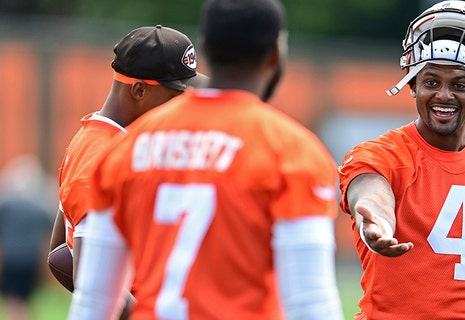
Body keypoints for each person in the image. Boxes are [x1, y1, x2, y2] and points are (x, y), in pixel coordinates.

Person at [67, 0, 344, 319]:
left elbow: (93, 301)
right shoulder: (292, 151)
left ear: (205, 48)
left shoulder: (126, 149)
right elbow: (310, 303)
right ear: (275, 54)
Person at [338, 1, 465, 319]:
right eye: (431, 82)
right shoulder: (379, 155)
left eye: (460, 85)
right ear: (412, 85)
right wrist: (378, 221)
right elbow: (370, 192)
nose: (444, 96)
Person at [48, 25, 207, 318]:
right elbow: (91, 281)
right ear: (139, 90)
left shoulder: (90, 138)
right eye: (176, 95)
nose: (184, 105)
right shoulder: (104, 155)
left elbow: (59, 251)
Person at [0, 155, 55, 320]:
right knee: (24, 299)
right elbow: (52, 225)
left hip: (12, 258)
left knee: (14, 300)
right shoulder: (39, 205)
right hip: (33, 258)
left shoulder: (6, 202)